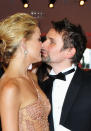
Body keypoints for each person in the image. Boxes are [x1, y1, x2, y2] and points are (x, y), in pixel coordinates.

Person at [0, 13, 51, 131]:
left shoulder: (32, 77)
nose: (42, 44)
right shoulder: (10, 87)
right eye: (39, 39)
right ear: (23, 44)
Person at [41, 18, 91, 131]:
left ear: (69, 52)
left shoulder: (88, 83)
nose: (43, 45)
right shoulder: (41, 88)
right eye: (45, 40)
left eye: (51, 42)